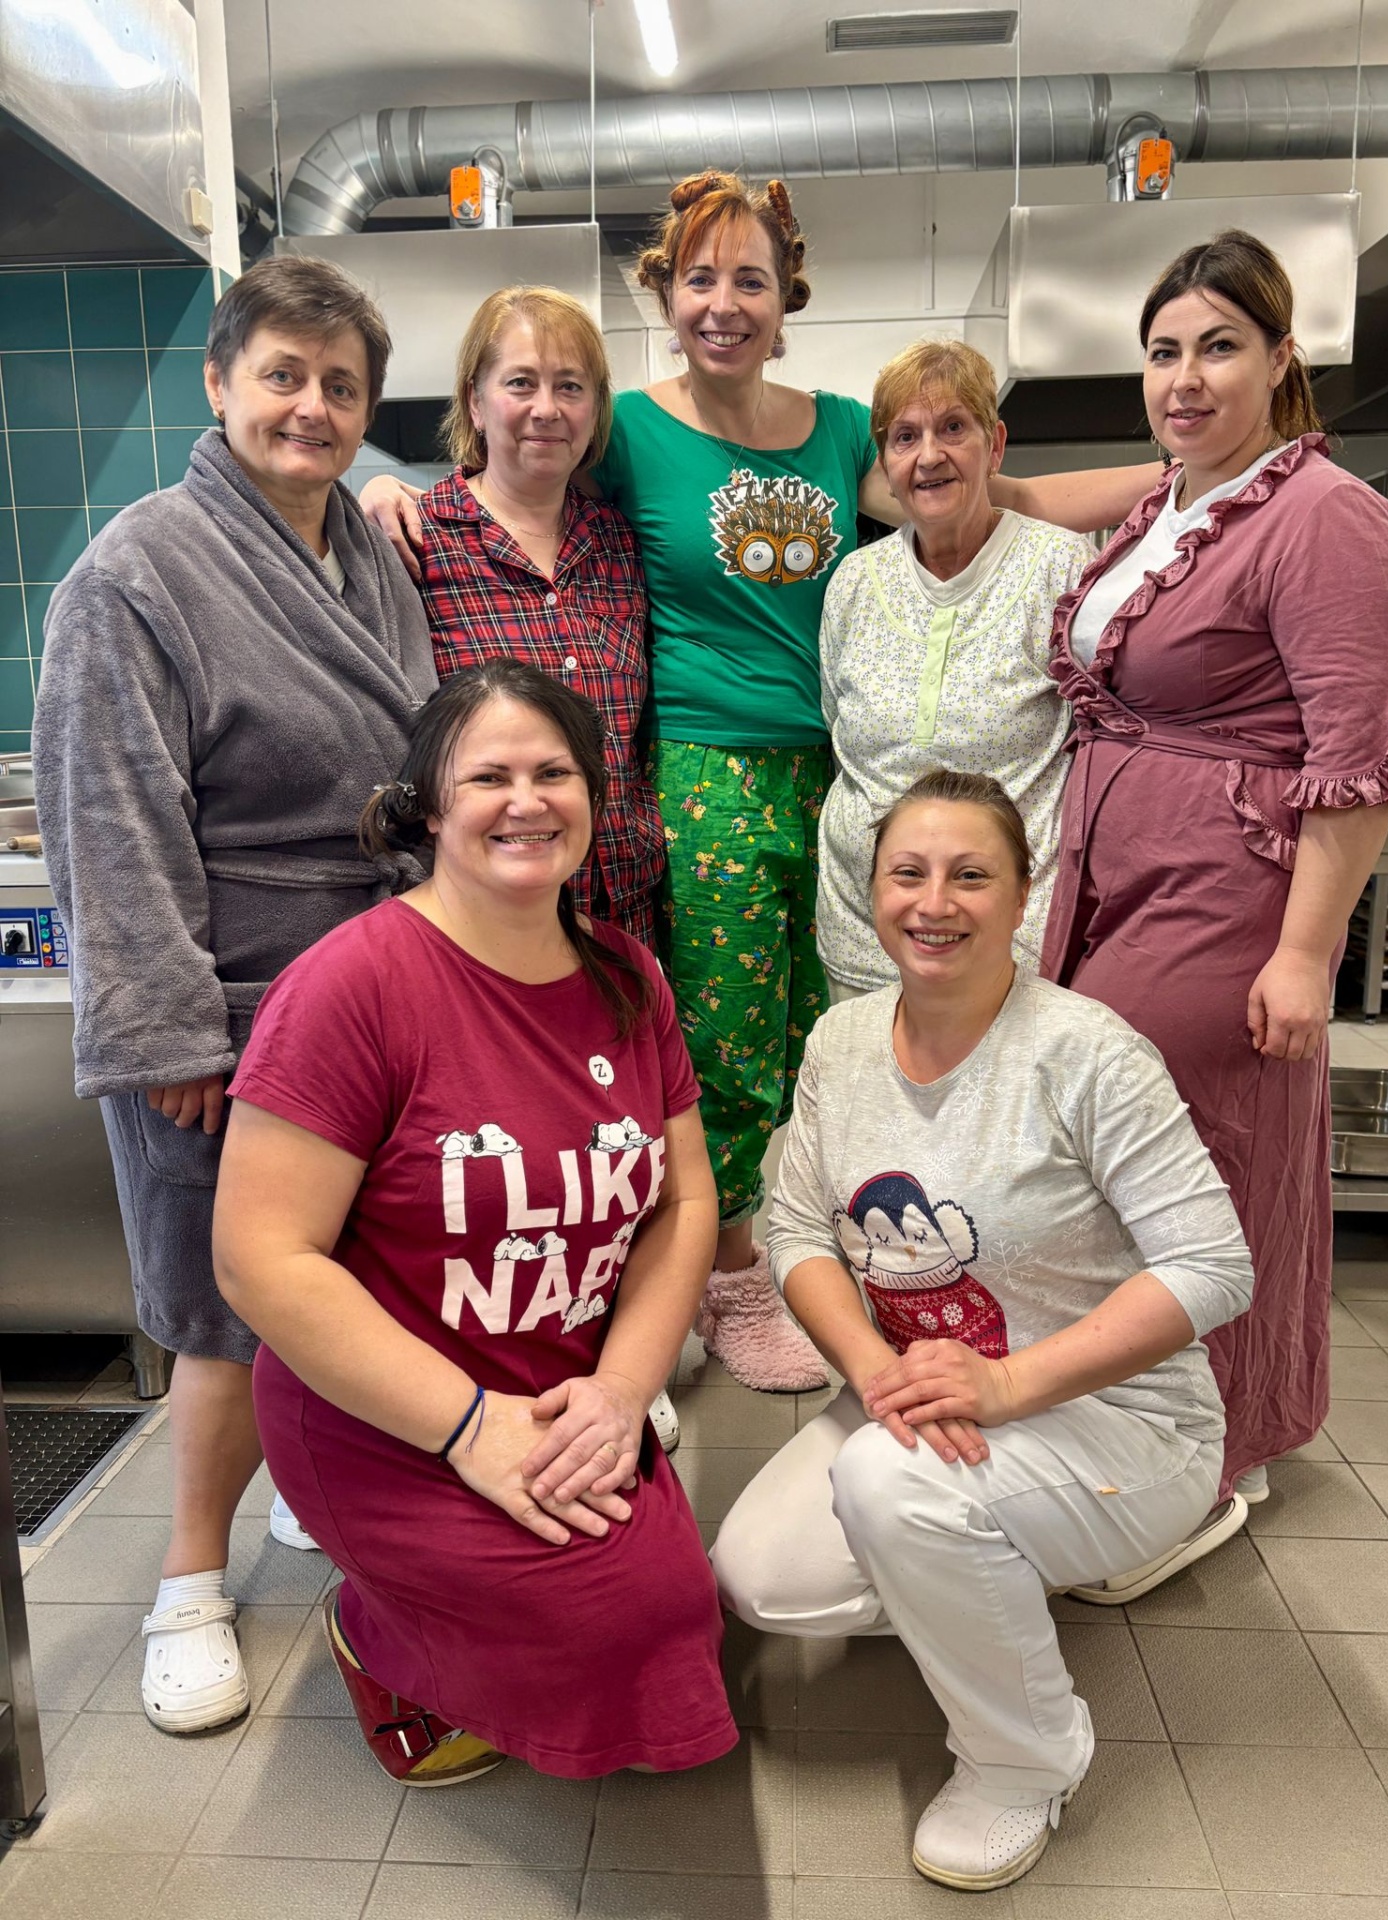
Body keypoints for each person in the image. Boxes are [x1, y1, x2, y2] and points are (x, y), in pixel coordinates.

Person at [364, 172, 1161, 1393]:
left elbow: (990, 497)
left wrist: (1189, 482)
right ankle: (728, 1280)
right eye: (699, 278)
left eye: (750, 279)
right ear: (667, 297)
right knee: (724, 1043)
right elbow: (519, 470)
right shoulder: (630, 429)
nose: (724, 303)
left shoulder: (842, 429)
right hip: (702, 769)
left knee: (809, 1035)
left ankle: (803, 1257)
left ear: (787, 299)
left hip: (832, 776)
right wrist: (388, 491)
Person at [711, 770, 1253, 1893]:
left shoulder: (1086, 1053)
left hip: (1120, 1421)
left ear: (1022, 894)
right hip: (923, 1399)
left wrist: (1009, 1389)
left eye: (970, 875)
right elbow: (800, 1230)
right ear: (870, 890)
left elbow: (1213, 1267)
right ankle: (994, 1558)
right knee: (766, 1582)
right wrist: (873, 1366)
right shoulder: (843, 1040)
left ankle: (1023, 1761)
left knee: (889, 1489)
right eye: (907, 873)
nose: (934, 902)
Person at [31, 256, 438, 1735]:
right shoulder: (135, 572)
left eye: (341, 385)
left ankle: (301, 1498)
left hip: (371, 985)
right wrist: (170, 1031)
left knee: (345, 1282)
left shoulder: (366, 552)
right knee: (223, 1310)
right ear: (218, 383)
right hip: (230, 1000)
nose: (311, 407)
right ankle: (187, 1589)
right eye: (282, 375)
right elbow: (107, 818)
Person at [213, 659, 736, 1782]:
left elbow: (684, 1201)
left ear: (594, 798)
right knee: (627, 1624)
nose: (526, 801)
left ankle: (460, 1624)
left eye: (555, 773)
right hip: (386, 1410)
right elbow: (260, 1260)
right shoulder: (352, 988)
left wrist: (621, 1389)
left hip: (559, 1382)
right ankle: (380, 1636)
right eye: (489, 776)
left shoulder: (627, 975)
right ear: (428, 807)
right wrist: (467, 1428)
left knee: (675, 1613)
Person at [1041, 228, 1388, 1593]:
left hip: (1227, 890)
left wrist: (1306, 953)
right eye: (1164, 352)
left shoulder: (1329, 517)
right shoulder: (1175, 504)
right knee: (1124, 1165)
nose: (1186, 378)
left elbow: (1364, 755)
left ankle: (1213, 1462)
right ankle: (1146, 1423)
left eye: (1220, 347)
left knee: (1200, 1169)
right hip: (1116, 879)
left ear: (1283, 358)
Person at [818, 338, 1093, 997]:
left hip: (1005, 948)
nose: (929, 456)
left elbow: (1098, 746)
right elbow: (837, 727)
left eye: (952, 428)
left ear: (994, 445)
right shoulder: (853, 582)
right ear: (885, 463)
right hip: (861, 937)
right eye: (905, 436)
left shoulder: (1062, 569)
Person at [408, 285, 665, 948]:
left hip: (626, 913)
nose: (546, 409)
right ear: (475, 401)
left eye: (570, 387)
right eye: (520, 382)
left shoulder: (620, 542)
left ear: (595, 409)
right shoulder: (417, 542)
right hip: (485, 922)